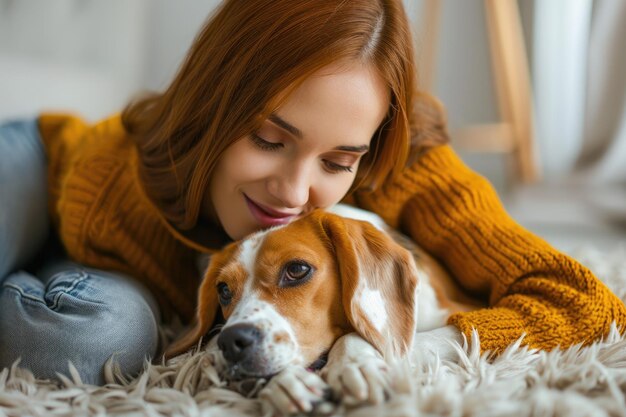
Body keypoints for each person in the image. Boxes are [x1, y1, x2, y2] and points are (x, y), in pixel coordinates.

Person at [1, 0, 624, 388]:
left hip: (94, 281)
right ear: (215, 108)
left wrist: (391, 347)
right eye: (269, 140)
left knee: (92, 341)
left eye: (337, 160)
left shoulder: (405, 165)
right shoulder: (112, 185)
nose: (295, 192)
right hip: (44, 168)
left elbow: (584, 302)